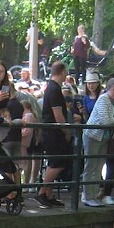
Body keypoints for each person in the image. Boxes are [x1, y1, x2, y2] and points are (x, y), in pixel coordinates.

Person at [82, 77, 114, 207]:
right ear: (108, 89)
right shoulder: (103, 99)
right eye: (113, 90)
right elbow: (105, 120)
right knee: (91, 165)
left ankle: (94, 195)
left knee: (99, 166)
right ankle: (87, 196)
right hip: (93, 135)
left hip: (106, 136)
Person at [36, 61, 69, 208]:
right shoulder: (54, 89)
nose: (66, 75)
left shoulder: (51, 87)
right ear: (62, 72)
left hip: (50, 132)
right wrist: (66, 131)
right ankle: (42, 191)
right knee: (59, 163)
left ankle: (49, 194)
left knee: (54, 163)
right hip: (53, 133)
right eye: (65, 72)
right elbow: (58, 114)